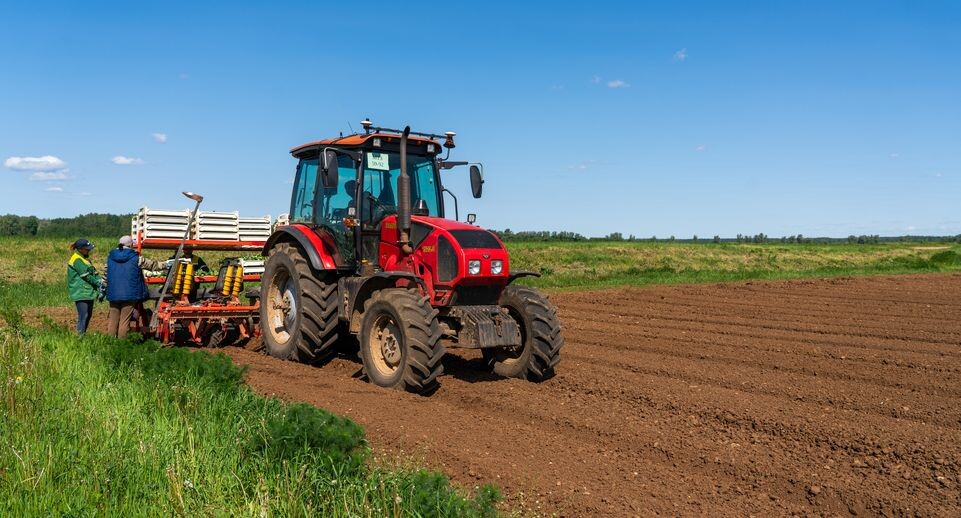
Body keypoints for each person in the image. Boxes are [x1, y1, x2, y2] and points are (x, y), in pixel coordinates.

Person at [105, 235, 164, 338]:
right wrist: (166, 265)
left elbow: (105, 275)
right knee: (124, 321)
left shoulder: (110, 258)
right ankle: (121, 345)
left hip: (113, 294)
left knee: (113, 320)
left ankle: (110, 343)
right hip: (129, 294)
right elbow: (152, 265)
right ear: (131, 245)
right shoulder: (136, 258)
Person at [66, 238, 102, 335]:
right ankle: (80, 336)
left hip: (87, 291)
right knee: (84, 315)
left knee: (88, 315)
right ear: (80, 249)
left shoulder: (85, 259)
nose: (89, 250)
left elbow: (94, 272)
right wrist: (99, 283)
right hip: (80, 291)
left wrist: (100, 280)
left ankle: (83, 335)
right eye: (87, 249)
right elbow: (86, 276)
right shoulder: (77, 259)